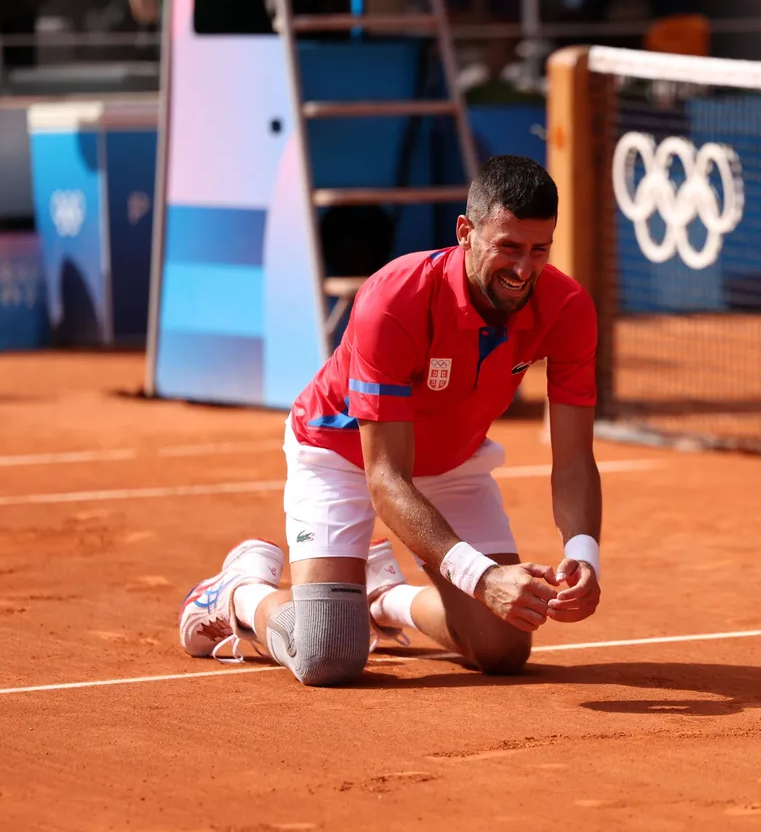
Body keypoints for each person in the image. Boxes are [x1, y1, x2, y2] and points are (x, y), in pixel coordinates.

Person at [177, 156, 603, 685]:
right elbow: (385, 479)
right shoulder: (394, 298)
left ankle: (385, 598)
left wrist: (583, 553)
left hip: (452, 462)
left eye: (539, 251)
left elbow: (574, 457)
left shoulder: (567, 307)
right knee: (327, 656)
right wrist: (484, 577)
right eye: (508, 248)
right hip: (341, 454)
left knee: (503, 648)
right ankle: (240, 591)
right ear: (466, 233)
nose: (523, 271)